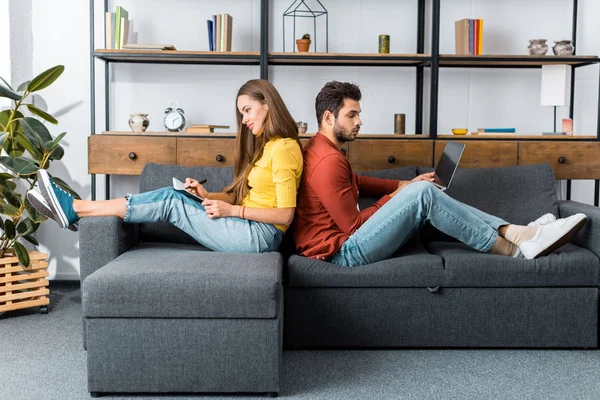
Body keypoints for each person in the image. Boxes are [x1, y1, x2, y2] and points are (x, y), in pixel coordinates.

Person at [291, 81, 586, 266]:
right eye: (351, 115)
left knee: (421, 190)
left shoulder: (323, 150)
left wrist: (402, 183)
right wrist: (401, 194)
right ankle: (514, 248)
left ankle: (518, 232)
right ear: (328, 117)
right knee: (422, 194)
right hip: (344, 253)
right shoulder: (326, 160)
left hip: (343, 243)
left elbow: (356, 182)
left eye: (358, 113)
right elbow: (352, 225)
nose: (360, 121)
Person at [28, 79, 303, 254]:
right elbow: (241, 195)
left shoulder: (284, 148)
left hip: (261, 237)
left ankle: (77, 208)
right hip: (248, 228)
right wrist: (206, 196)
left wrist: (234, 210)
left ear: (267, 105)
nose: (243, 119)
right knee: (177, 195)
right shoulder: (266, 147)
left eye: (247, 110)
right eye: (241, 112)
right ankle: (76, 209)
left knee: (171, 202)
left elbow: (285, 215)